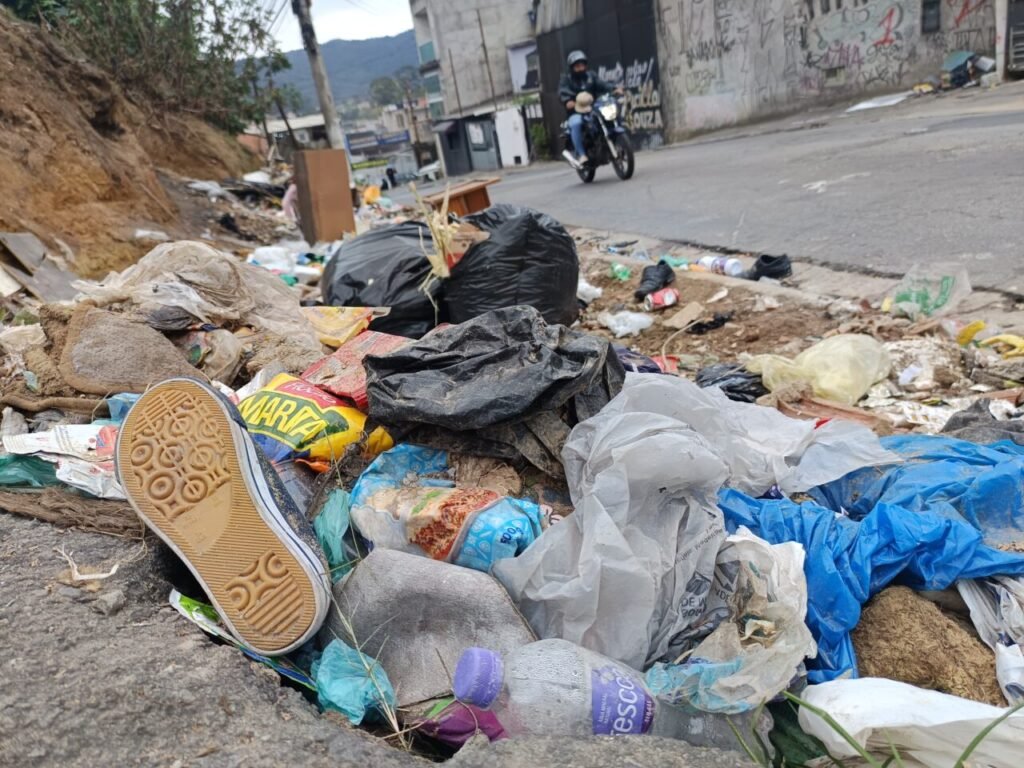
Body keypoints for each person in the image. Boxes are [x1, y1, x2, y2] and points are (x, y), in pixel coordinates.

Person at [558, 50, 616, 166]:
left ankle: (612, 140)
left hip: (593, 108)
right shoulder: (567, 80)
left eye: (582, 65)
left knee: (608, 112)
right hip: (575, 111)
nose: (580, 68)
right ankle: (582, 154)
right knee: (576, 123)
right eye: (577, 66)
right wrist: (567, 101)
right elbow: (562, 92)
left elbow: (602, 85)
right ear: (572, 67)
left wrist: (614, 89)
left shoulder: (591, 76)